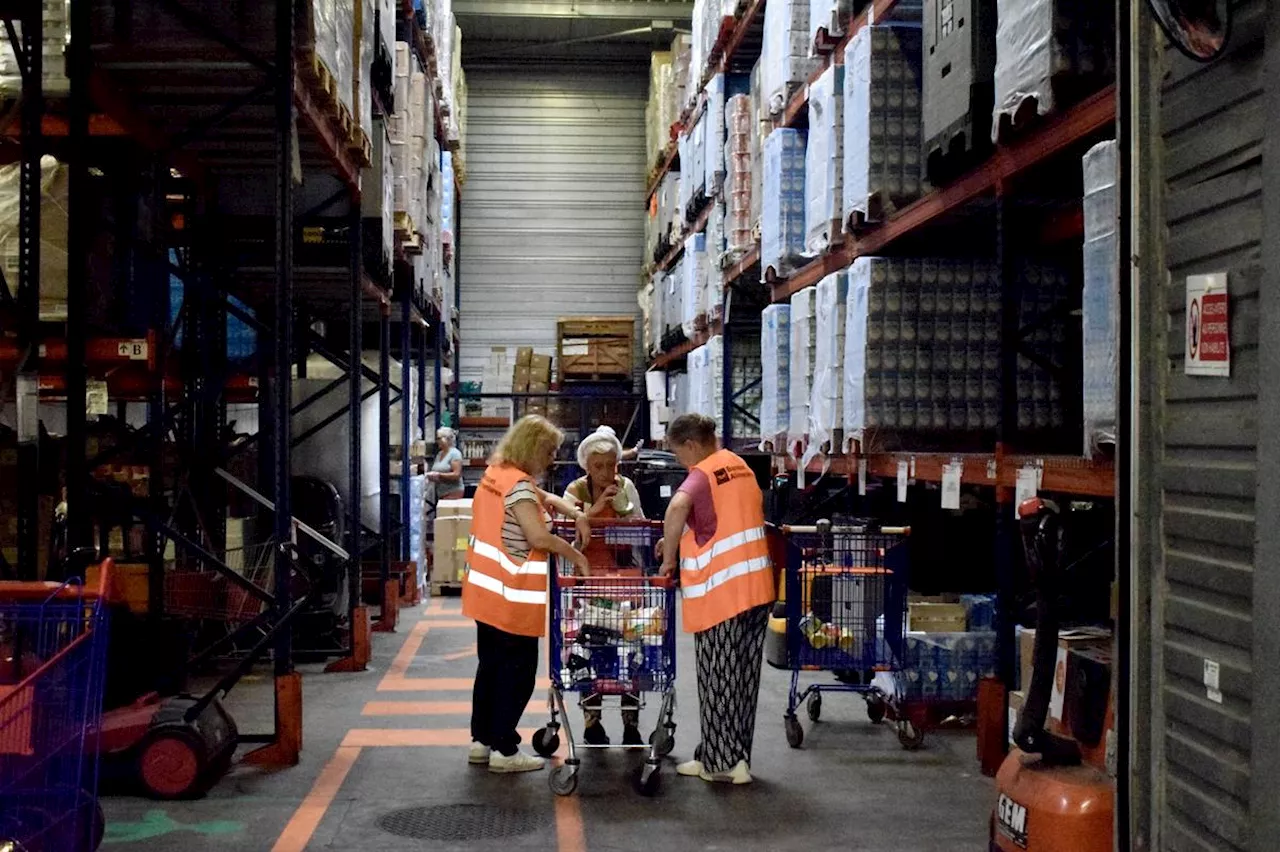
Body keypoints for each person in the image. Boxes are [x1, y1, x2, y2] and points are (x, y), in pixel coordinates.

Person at [463, 415, 592, 774]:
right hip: (511, 596)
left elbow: (541, 496)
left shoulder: (497, 475)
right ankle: (505, 749)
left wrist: (573, 511)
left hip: (485, 594)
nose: (552, 459)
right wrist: (575, 554)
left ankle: (482, 741)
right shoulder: (518, 485)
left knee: (489, 667)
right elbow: (537, 537)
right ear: (533, 448)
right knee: (516, 672)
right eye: (549, 452)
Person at [659, 413, 774, 785]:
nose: (681, 463)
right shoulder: (740, 466)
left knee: (717, 677)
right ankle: (732, 756)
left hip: (721, 591)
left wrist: (669, 558)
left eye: (679, 455)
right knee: (742, 678)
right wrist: (677, 538)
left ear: (691, 444)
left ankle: (720, 764)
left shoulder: (703, 472)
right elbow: (719, 520)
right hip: (756, 587)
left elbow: (677, 507)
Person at [563, 426, 646, 747]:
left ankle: (631, 722)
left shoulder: (627, 487)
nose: (606, 472)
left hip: (626, 582)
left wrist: (624, 521)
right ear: (587, 467)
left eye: (611, 465)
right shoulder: (575, 491)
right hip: (590, 584)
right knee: (589, 652)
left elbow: (640, 527)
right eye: (598, 466)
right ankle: (591, 720)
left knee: (634, 652)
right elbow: (569, 542)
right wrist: (593, 515)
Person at [427, 427, 465, 501]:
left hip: (453, 492)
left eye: (439, 438)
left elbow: (456, 474)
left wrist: (439, 475)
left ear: (446, 439)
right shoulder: (440, 454)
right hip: (441, 492)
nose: (437, 441)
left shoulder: (455, 453)